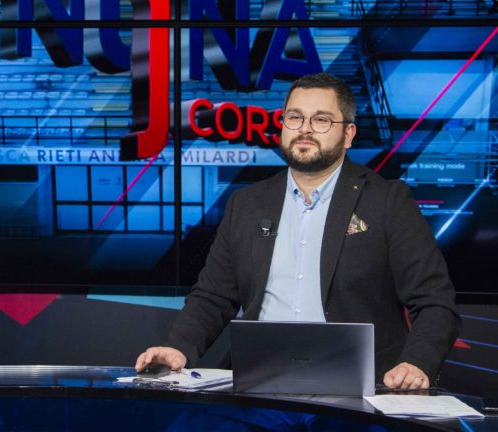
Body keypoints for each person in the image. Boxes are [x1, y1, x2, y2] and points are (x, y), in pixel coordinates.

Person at [136, 72, 460, 390]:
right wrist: (178, 347)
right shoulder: (247, 204)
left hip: (358, 388)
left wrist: (416, 362)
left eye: (321, 120)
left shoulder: (388, 201)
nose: (304, 129)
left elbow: (434, 301)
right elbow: (213, 296)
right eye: (294, 117)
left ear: (348, 134)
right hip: (258, 381)